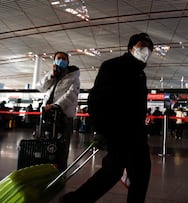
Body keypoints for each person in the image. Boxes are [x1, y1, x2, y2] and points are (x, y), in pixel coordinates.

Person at [60, 33, 154, 203]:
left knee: (137, 172)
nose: (146, 50)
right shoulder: (112, 66)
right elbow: (96, 100)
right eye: (142, 45)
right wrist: (102, 129)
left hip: (136, 132)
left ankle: (74, 200)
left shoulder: (141, 74)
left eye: (150, 47)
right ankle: (74, 200)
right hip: (117, 130)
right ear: (131, 48)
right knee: (114, 171)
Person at [36, 51, 80, 171]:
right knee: (46, 143)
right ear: (54, 61)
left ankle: (60, 172)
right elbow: (40, 87)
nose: (61, 60)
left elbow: (71, 95)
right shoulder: (53, 74)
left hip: (64, 116)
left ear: (68, 62)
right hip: (48, 114)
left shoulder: (73, 76)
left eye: (64, 58)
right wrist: (51, 75)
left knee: (61, 146)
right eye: (58, 58)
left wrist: (56, 106)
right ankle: (46, 170)